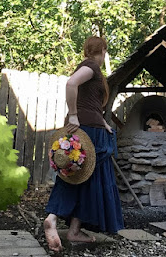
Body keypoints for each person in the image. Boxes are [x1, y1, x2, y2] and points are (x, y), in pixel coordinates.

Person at [44, 36, 124, 252]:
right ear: (103, 50)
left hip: (91, 128)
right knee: (88, 179)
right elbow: (71, 83)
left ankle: (68, 227)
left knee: (78, 177)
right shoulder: (91, 67)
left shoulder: (90, 69)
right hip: (87, 132)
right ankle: (64, 224)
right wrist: (73, 115)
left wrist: (104, 125)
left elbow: (91, 106)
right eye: (105, 51)